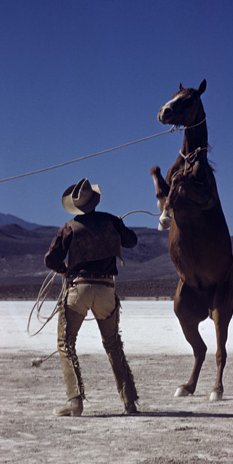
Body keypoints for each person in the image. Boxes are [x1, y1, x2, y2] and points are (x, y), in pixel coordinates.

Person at [44, 178, 139, 416]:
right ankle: (128, 402)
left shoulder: (69, 227)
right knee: (113, 344)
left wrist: (65, 271)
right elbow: (132, 241)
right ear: (95, 201)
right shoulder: (111, 221)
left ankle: (75, 401)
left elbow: (50, 259)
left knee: (65, 344)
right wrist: (118, 226)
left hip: (79, 290)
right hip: (106, 290)